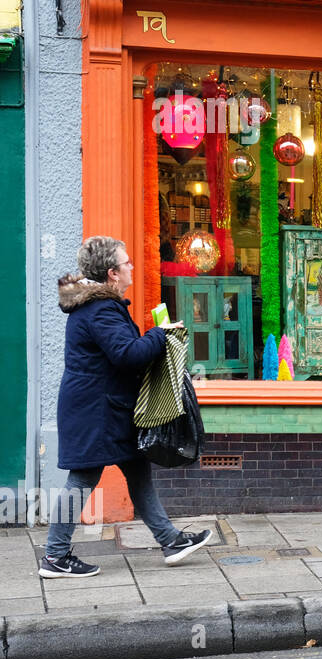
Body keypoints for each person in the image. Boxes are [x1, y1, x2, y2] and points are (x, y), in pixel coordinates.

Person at [40, 237, 214, 579]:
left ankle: (171, 541)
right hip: (97, 412)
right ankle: (55, 556)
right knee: (82, 477)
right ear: (112, 273)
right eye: (127, 263)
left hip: (107, 407)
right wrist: (160, 334)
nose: (132, 267)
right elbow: (127, 355)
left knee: (138, 472)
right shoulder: (100, 309)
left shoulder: (95, 306)